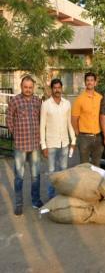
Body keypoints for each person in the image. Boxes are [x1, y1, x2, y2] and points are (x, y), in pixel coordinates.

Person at [7, 75, 43, 215]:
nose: (28, 90)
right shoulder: (15, 100)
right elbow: (9, 118)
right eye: (25, 87)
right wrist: (14, 133)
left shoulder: (37, 101)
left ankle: (35, 200)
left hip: (34, 145)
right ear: (21, 87)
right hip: (20, 145)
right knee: (19, 177)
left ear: (33, 87)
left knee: (35, 175)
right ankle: (19, 203)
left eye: (30, 87)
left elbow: (41, 118)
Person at [40, 79, 76, 199]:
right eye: (54, 88)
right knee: (51, 172)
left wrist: (73, 140)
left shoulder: (67, 104)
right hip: (51, 144)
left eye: (59, 87)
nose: (57, 90)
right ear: (51, 89)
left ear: (61, 88)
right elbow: (42, 126)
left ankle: (62, 196)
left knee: (63, 171)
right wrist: (43, 145)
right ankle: (51, 198)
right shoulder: (45, 104)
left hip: (64, 143)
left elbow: (69, 123)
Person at [71, 72, 103, 167]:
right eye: (88, 80)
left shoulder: (100, 98)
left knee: (97, 165)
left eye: (92, 80)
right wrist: (78, 133)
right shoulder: (79, 99)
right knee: (84, 166)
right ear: (85, 82)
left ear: (95, 82)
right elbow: (74, 119)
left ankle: (95, 182)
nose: (90, 82)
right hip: (84, 138)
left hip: (98, 137)